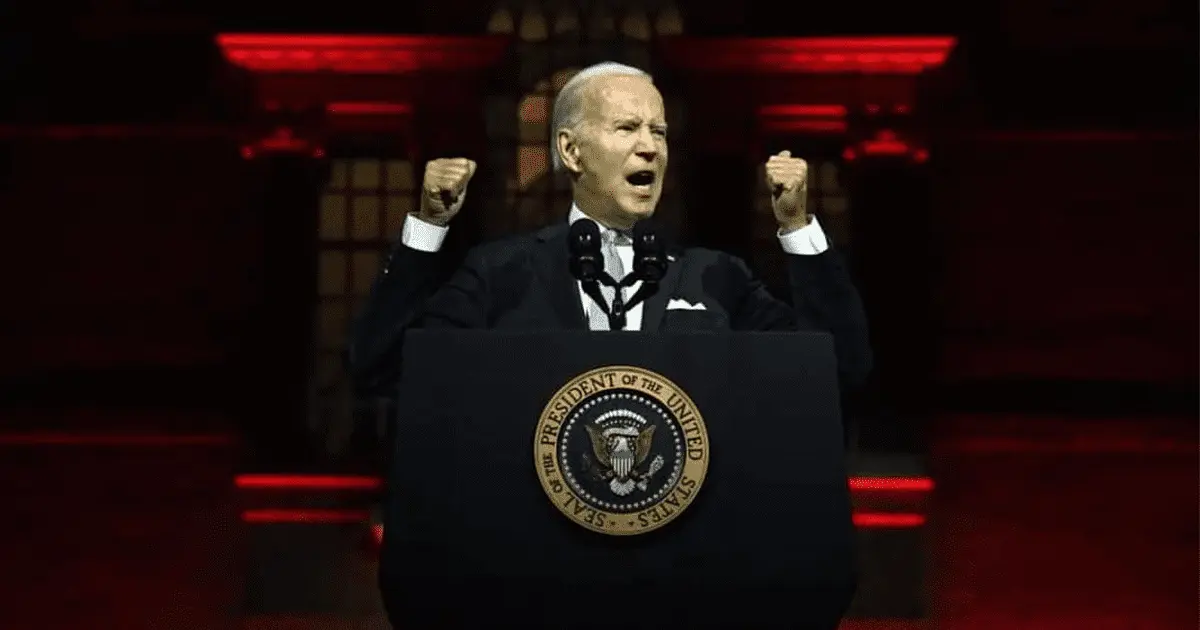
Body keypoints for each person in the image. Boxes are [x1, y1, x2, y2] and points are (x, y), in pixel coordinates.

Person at [345, 61, 872, 398]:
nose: (650, 147)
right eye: (627, 128)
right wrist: (429, 227)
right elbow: (381, 367)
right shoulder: (501, 273)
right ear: (572, 151)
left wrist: (797, 228)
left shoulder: (717, 278)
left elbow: (839, 371)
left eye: (659, 131)